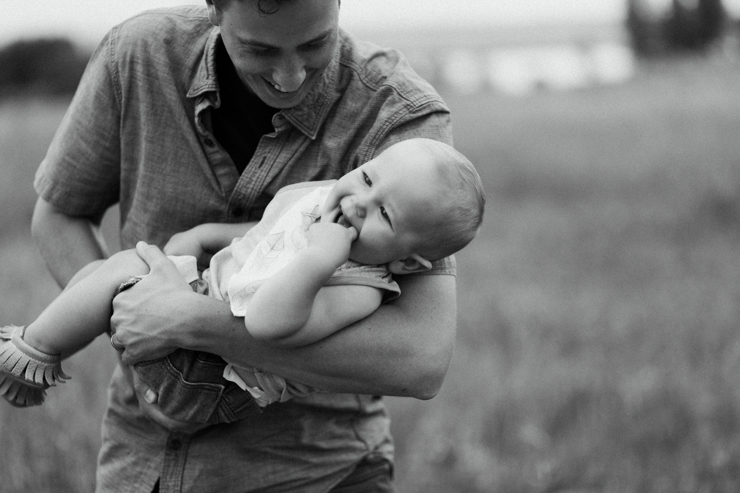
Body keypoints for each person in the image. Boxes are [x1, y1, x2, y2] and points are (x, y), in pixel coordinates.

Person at [31, 0, 463, 490]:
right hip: (143, 461)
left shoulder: (402, 119)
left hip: (318, 469)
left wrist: (183, 323)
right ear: (214, 8)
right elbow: (60, 214)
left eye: (315, 43)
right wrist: (138, 336)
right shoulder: (138, 54)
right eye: (259, 48)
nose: (290, 74)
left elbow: (419, 361)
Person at [1, 139, 484, 422]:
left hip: (209, 379)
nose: (359, 200)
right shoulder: (331, 210)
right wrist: (207, 234)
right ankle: (44, 345)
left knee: (129, 269)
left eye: (384, 213)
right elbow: (272, 231)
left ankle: (30, 355)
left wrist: (317, 262)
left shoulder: (358, 285)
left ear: (409, 263)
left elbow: (269, 324)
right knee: (108, 275)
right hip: (203, 310)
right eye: (367, 177)